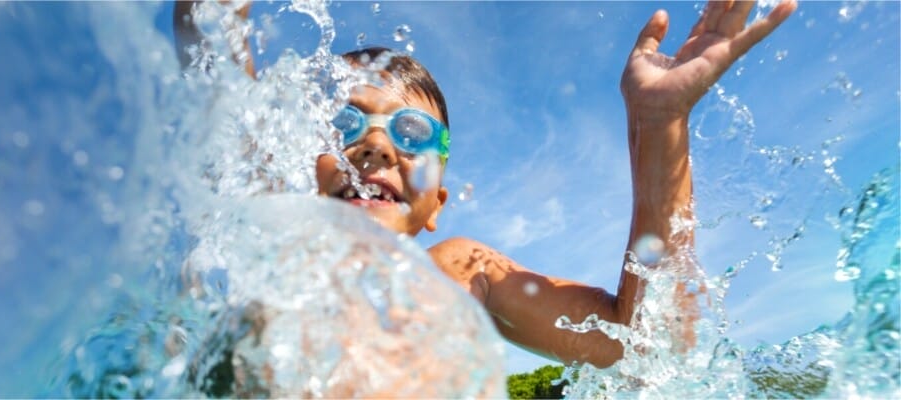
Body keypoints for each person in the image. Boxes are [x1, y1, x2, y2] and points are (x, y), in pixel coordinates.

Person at [175, 0, 797, 371]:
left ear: (436, 206)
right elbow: (215, 75)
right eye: (342, 124)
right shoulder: (258, 247)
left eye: (411, 132)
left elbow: (647, 350)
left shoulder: (460, 270)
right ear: (302, 165)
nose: (373, 146)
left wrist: (660, 129)